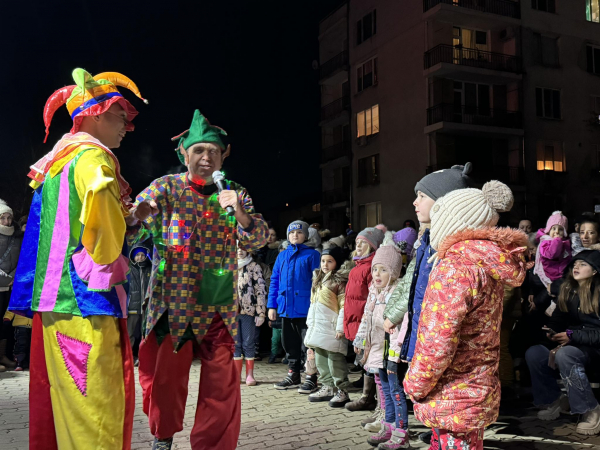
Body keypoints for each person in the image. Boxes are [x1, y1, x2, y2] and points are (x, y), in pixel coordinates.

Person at [9, 68, 150, 449]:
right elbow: (103, 237)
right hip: (86, 303)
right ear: (94, 114)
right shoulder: (93, 158)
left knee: (69, 407)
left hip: (54, 302)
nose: (127, 126)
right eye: (120, 115)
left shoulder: (58, 161)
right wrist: (114, 230)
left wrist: (128, 218)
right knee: (98, 411)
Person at [133, 109, 268, 450]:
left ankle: (213, 445)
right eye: (199, 150)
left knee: (222, 382)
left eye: (214, 151)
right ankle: (163, 435)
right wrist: (138, 215)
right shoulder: (166, 187)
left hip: (218, 297)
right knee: (166, 378)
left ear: (224, 155)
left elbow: (258, 240)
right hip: (173, 298)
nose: (207, 157)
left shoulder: (235, 192)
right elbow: (134, 225)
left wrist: (239, 212)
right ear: (184, 154)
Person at [404, 180, 527, 450]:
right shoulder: (482, 263)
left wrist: (416, 383)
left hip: (451, 390)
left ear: (452, 223)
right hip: (474, 387)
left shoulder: (455, 268)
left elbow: (438, 339)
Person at [525, 250, 600, 435]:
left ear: (595, 271)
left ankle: (590, 409)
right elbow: (558, 320)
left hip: (594, 350)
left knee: (565, 354)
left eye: (583, 264)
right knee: (535, 353)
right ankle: (554, 400)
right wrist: (551, 331)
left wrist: (572, 335)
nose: (576, 267)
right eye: (575, 264)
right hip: (573, 345)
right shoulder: (568, 290)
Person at [354, 244, 409, 448]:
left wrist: (396, 351)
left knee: (396, 392)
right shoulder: (374, 292)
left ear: (394, 272)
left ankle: (401, 433)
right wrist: (360, 340)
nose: (377, 274)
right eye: (375, 269)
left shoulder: (396, 293)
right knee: (385, 390)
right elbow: (367, 319)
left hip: (392, 350)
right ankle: (388, 425)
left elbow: (400, 325)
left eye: (383, 269)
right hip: (378, 349)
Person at [267, 220, 320, 390]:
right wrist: (272, 306)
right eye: (291, 233)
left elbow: (318, 282)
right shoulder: (282, 256)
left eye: (299, 232)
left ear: (306, 235)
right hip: (286, 308)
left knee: (308, 344)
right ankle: (293, 374)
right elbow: (274, 281)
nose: (295, 235)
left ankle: (311, 376)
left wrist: (317, 306)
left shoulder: (313, 255)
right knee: (289, 343)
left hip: (306, 308)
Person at [343, 227, 384, 414]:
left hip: (365, 319)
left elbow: (372, 296)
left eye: (363, 243)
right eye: (357, 243)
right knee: (362, 358)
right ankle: (367, 392)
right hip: (355, 319)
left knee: (369, 357)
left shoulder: (371, 267)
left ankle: (369, 398)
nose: (358, 246)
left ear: (372, 246)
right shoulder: (356, 266)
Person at [304, 247, 351, 406]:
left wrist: (340, 327)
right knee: (321, 358)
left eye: (330, 261)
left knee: (335, 360)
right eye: (323, 261)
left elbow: (344, 306)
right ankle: (328, 386)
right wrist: (310, 324)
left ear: (337, 262)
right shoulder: (317, 279)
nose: (325, 264)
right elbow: (313, 305)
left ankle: (342, 390)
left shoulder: (339, 282)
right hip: (319, 327)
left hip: (332, 328)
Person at [234, 244, 267, 386]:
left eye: (243, 248)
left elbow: (260, 290)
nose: (240, 251)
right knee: (235, 343)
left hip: (248, 311)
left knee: (248, 342)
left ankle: (249, 374)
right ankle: (236, 375)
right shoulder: (228, 266)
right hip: (231, 312)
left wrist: (261, 313)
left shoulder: (254, 267)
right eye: (237, 248)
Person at [0, 200, 21, 371]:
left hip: (10, 286)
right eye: (2, 218)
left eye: (9, 218)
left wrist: (13, 277)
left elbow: (21, 258)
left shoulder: (17, 236)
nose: (7, 221)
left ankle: (2, 355)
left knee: (5, 322)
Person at [128, 245, 151, 366]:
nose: (140, 257)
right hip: (132, 306)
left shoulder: (150, 268)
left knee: (145, 334)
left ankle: (144, 357)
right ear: (133, 256)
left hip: (146, 307)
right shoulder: (129, 269)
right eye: (137, 255)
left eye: (142, 255)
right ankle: (129, 357)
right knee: (130, 333)